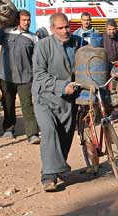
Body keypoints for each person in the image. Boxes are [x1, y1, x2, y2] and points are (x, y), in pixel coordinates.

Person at [32, 13, 82, 192]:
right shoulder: (43, 46)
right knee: (49, 131)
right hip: (45, 97)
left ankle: (58, 167)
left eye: (67, 27)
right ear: (52, 29)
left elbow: (92, 57)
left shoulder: (78, 42)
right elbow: (39, 75)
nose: (65, 31)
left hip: (68, 99)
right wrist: (61, 86)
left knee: (65, 134)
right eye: (60, 28)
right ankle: (48, 176)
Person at [0, 10, 40, 144]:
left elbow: (37, 59)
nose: (27, 22)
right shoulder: (6, 32)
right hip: (6, 76)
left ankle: (32, 134)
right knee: (8, 104)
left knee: (27, 106)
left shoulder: (33, 38)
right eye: (24, 20)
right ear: (17, 21)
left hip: (25, 77)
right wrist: (0, 25)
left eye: (28, 20)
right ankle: (9, 129)